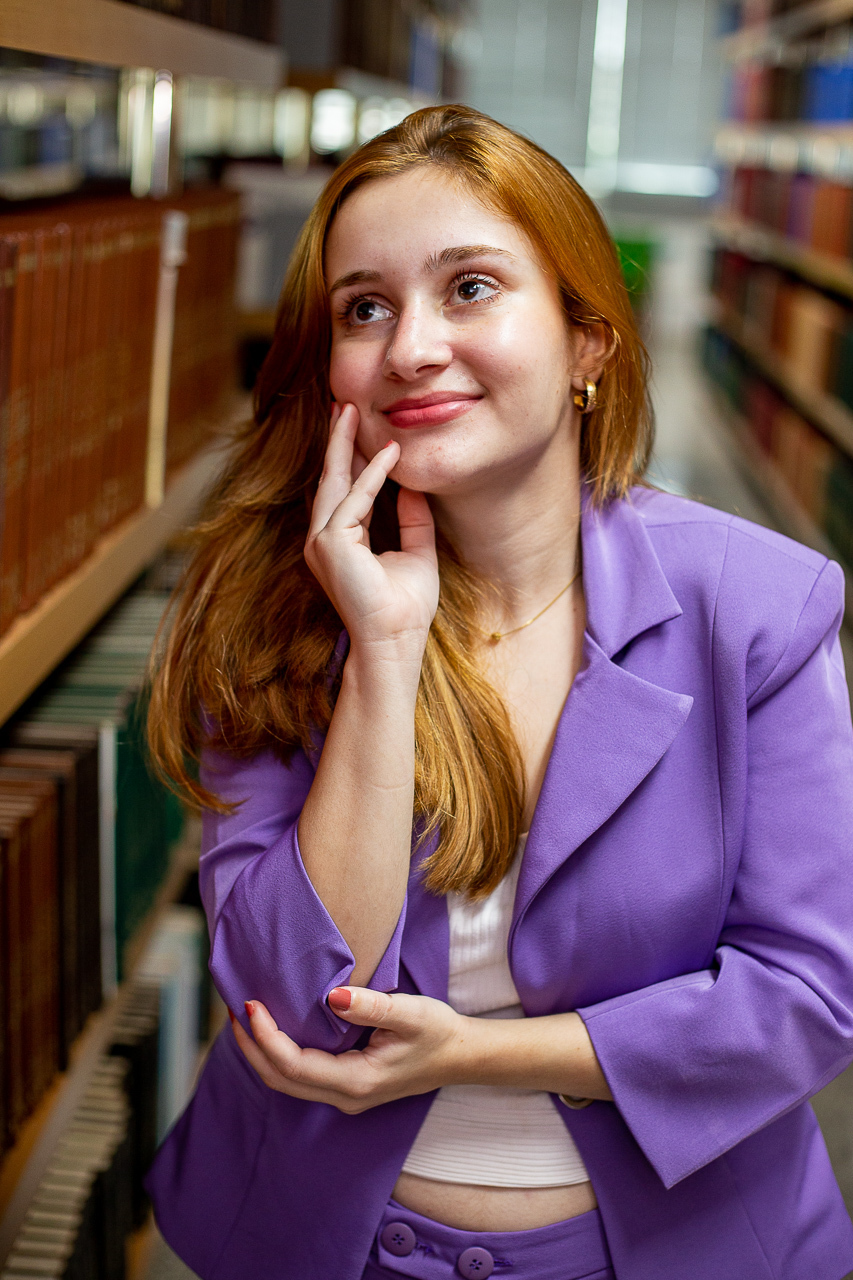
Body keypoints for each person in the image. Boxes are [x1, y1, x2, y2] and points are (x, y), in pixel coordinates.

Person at [145, 105, 853, 1280]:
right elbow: (292, 1001)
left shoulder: (761, 607)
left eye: (469, 287)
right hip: (326, 1246)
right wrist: (383, 653)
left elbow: (808, 998)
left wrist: (476, 1053)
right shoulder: (268, 608)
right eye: (364, 308)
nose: (411, 348)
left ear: (587, 343)